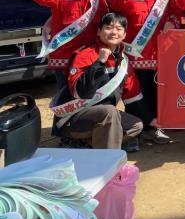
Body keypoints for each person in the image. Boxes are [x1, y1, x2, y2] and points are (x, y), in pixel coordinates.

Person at [109, 0, 185, 145]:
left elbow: (181, 12)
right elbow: (115, 7)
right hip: (133, 54)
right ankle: (135, 131)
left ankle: (155, 129)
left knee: (157, 94)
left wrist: (172, 21)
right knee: (134, 94)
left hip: (159, 54)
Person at [53, 12, 156, 151]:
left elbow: (133, 97)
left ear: (124, 34)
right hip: (74, 118)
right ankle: (108, 158)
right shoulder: (85, 55)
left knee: (135, 125)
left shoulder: (123, 60)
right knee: (110, 112)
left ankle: (85, 144)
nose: (114, 32)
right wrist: (99, 63)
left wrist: (151, 120)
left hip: (105, 116)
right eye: (108, 27)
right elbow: (80, 92)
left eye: (119, 29)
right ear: (99, 31)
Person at [32, 0, 108, 91]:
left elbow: (104, 18)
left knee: (89, 93)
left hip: (90, 52)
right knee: (65, 95)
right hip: (64, 53)